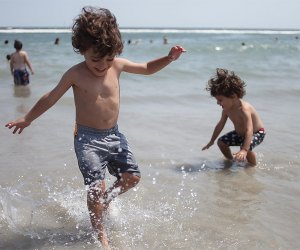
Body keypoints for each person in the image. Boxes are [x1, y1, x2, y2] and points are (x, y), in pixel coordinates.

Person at [5, 6, 186, 249]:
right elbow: (50, 97)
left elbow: (146, 68)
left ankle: (106, 201)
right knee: (95, 189)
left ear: (116, 52)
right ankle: (101, 235)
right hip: (87, 140)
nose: (102, 65)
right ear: (82, 50)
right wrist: (27, 119)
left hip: (114, 135)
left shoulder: (117, 65)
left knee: (132, 177)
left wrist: (168, 58)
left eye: (108, 58)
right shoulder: (75, 74)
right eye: (95, 59)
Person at [202, 68, 266, 166]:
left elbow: (249, 129)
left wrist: (244, 150)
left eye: (220, 100)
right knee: (221, 142)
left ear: (233, 96)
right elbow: (220, 125)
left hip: (256, 132)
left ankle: (252, 167)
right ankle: (231, 160)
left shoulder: (244, 109)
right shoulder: (226, 109)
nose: (218, 103)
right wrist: (212, 141)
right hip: (240, 134)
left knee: (245, 147)